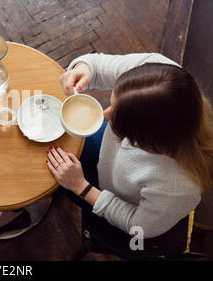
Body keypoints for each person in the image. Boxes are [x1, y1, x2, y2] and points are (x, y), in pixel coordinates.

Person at [47, 53, 213, 239]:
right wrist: (83, 69)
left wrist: (80, 187)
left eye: (119, 122)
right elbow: (98, 65)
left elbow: (139, 227)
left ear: (147, 142)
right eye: (112, 104)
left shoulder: (178, 189)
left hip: (112, 196)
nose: (105, 115)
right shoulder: (159, 76)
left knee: (48, 180)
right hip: (109, 159)